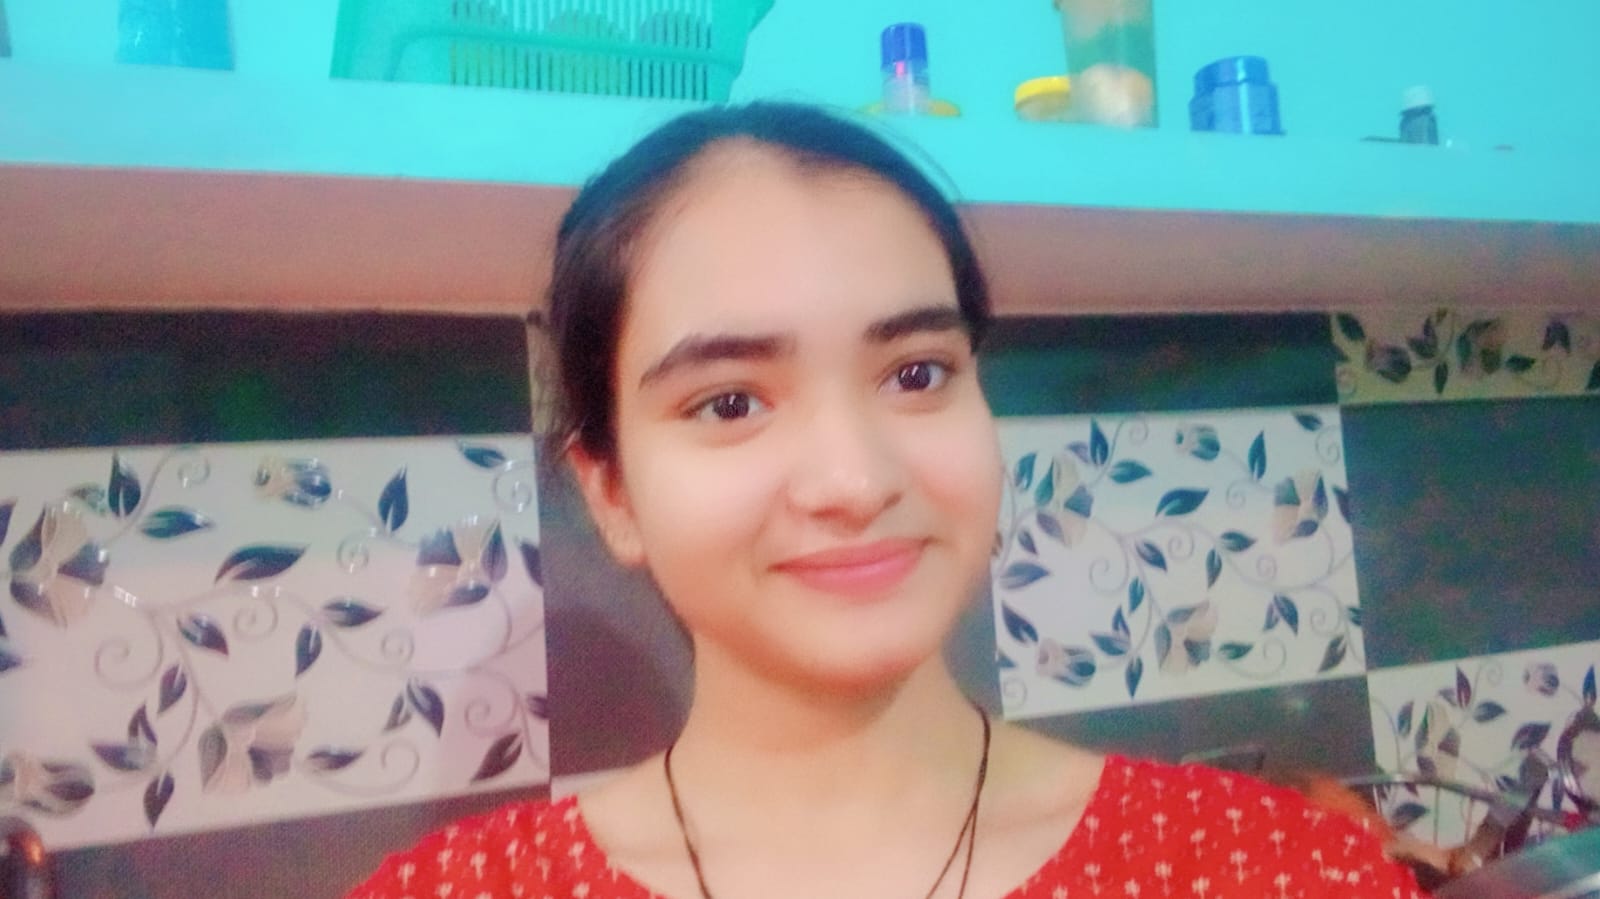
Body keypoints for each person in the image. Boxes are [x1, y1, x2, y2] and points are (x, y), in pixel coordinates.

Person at [348, 102, 1428, 899]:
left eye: (916, 373)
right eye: (730, 401)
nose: (857, 481)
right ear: (613, 490)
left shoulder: (1275, 867)